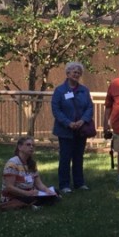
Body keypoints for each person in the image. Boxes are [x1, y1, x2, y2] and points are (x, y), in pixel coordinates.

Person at [51, 61, 94, 193]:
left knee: (78, 157)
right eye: (74, 72)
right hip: (65, 130)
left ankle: (79, 183)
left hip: (81, 130)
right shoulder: (60, 90)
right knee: (65, 157)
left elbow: (90, 107)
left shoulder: (84, 90)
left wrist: (83, 120)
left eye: (79, 73)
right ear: (68, 73)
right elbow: (56, 109)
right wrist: (68, 123)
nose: (76, 74)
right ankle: (64, 185)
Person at [0, 137, 59, 209]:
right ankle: (29, 204)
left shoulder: (32, 164)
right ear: (20, 147)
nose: (31, 147)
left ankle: (35, 203)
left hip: (31, 193)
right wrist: (26, 193)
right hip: (15, 196)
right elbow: (9, 187)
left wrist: (48, 191)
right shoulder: (12, 164)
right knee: (36, 199)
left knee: (55, 191)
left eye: (33, 145)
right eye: (28, 145)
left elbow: (39, 184)